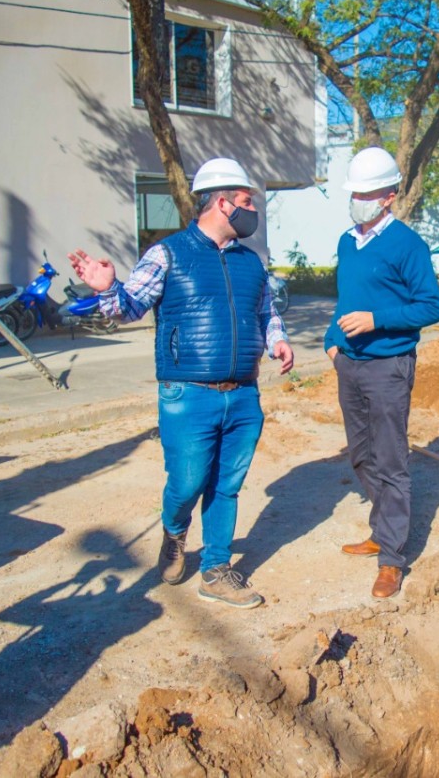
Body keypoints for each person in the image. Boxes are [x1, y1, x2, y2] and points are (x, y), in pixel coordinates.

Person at [69, 157, 294, 610]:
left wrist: (278, 340)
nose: (254, 212)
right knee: (188, 482)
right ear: (221, 202)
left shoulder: (252, 263)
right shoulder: (168, 253)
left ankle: (215, 568)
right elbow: (129, 308)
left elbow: (265, 311)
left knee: (226, 486)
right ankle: (174, 534)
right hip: (187, 395)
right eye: (247, 202)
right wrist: (106, 289)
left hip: (244, 394)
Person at [324, 146, 439, 599]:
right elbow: (343, 298)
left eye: (367, 192)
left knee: (392, 461)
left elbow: (431, 306)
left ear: (389, 196)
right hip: (349, 364)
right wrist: (331, 343)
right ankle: (382, 528)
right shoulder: (346, 241)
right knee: (360, 454)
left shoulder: (408, 245)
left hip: (389, 364)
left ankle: (392, 557)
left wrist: (378, 320)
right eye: (354, 191)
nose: (357, 199)